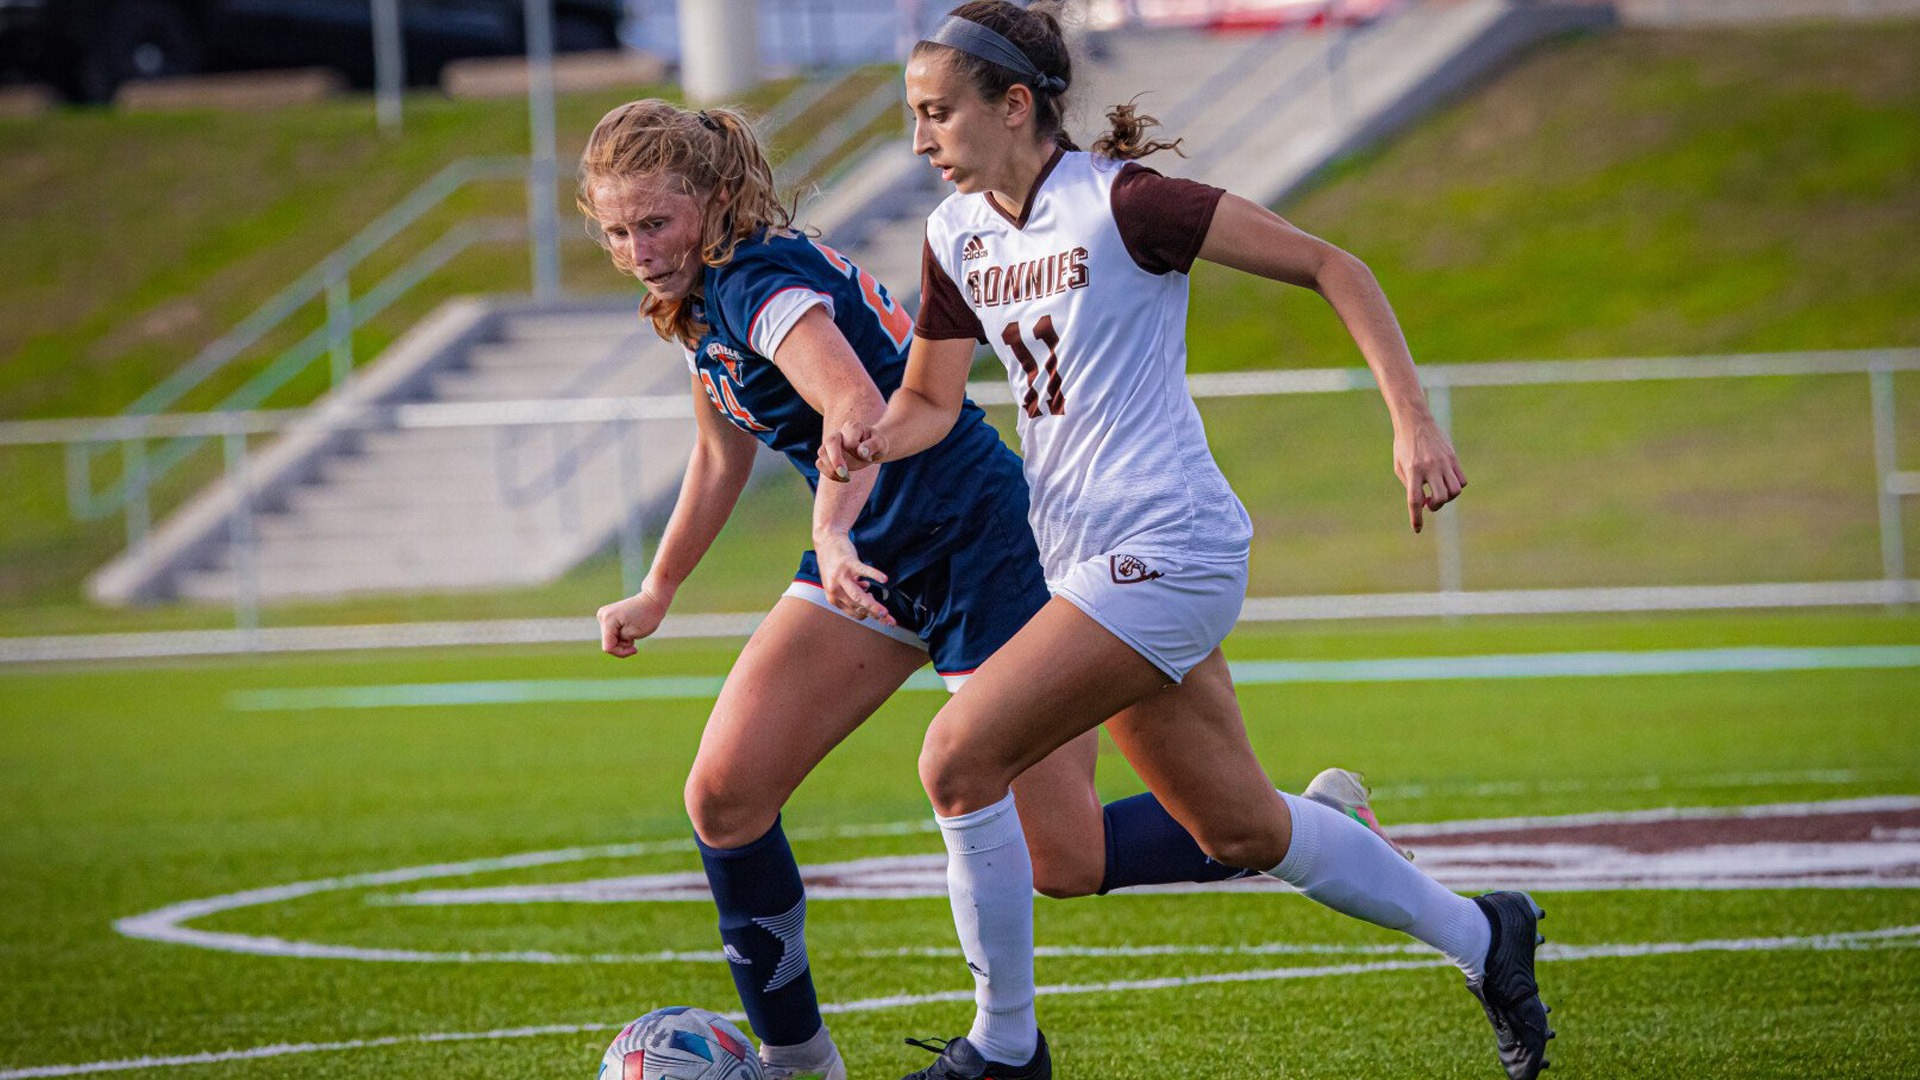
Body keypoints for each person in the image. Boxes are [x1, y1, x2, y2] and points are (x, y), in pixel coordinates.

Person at [580, 99, 1412, 1080]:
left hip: (978, 541)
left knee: (1066, 860)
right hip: (877, 551)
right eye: (615, 230)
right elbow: (721, 452)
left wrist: (829, 530)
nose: (636, 248)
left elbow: (854, 403)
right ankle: (801, 1065)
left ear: (715, 199)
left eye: (654, 223)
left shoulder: (760, 280)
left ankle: (1301, 829)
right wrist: (659, 588)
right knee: (724, 796)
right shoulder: (698, 292)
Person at [818, 5, 1554, 1079]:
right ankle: (1489, 937)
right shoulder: (955, 235)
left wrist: (1412, 418)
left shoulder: (1125, 204)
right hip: (1084, 565)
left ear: (1015, 105)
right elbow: (930, 400)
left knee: (957, 756)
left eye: (937, 114)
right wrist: (868, 433)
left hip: (1170, 548)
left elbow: (1333, 265)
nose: (921, 140)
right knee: (1239, 833)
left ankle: (1004, 1051)